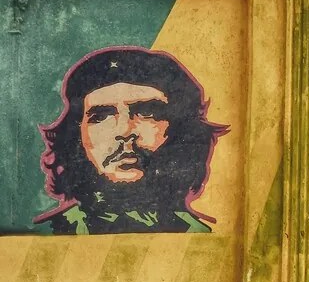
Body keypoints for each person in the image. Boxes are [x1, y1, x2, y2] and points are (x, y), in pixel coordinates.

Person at [35, 46, 228, 234]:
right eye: (101, 116)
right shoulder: (43, 238)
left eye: (147, 112)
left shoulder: (207, 236)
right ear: (76, 136)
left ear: (183, 129)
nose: (125, 130)